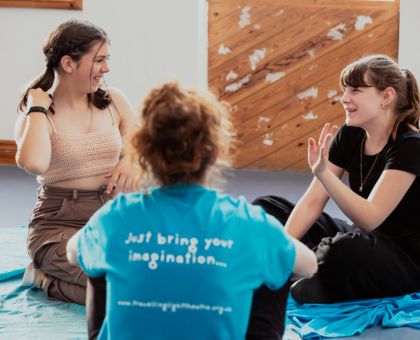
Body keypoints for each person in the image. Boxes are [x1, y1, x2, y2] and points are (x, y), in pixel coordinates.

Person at [66, 82, 317, 339]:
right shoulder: (248, 223)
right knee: (273, 264)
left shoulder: (116, 217)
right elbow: (309, 266)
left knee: (97, 258)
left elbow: (72, 252)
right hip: (255, 246)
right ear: (215, 153)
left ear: (144, 155)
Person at [253, 54, 420, 304]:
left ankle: (310, 272)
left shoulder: (410, 145)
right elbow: (312, 202)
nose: (344, 98)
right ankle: (303, 270)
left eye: (355, 90)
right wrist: (283, 251)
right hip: (361, 238)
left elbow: (371, 219)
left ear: (387, 96)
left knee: (343, 249)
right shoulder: (350, 134)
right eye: (344, 90)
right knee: (267, 207)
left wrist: (323, 175)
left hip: (402, 257)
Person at [14, 19, 138, 309]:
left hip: (112, 216)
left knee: (145, 280)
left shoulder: (115, 101)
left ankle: (51, 278)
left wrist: (133, 159)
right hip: (58, 222)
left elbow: (144, 145)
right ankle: (47, 278)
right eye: (99, 60)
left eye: (107, 59)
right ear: (68, 64)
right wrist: (36, 108)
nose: (106, 68)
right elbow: (34, 162)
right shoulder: (38, 113)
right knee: (116, 290)